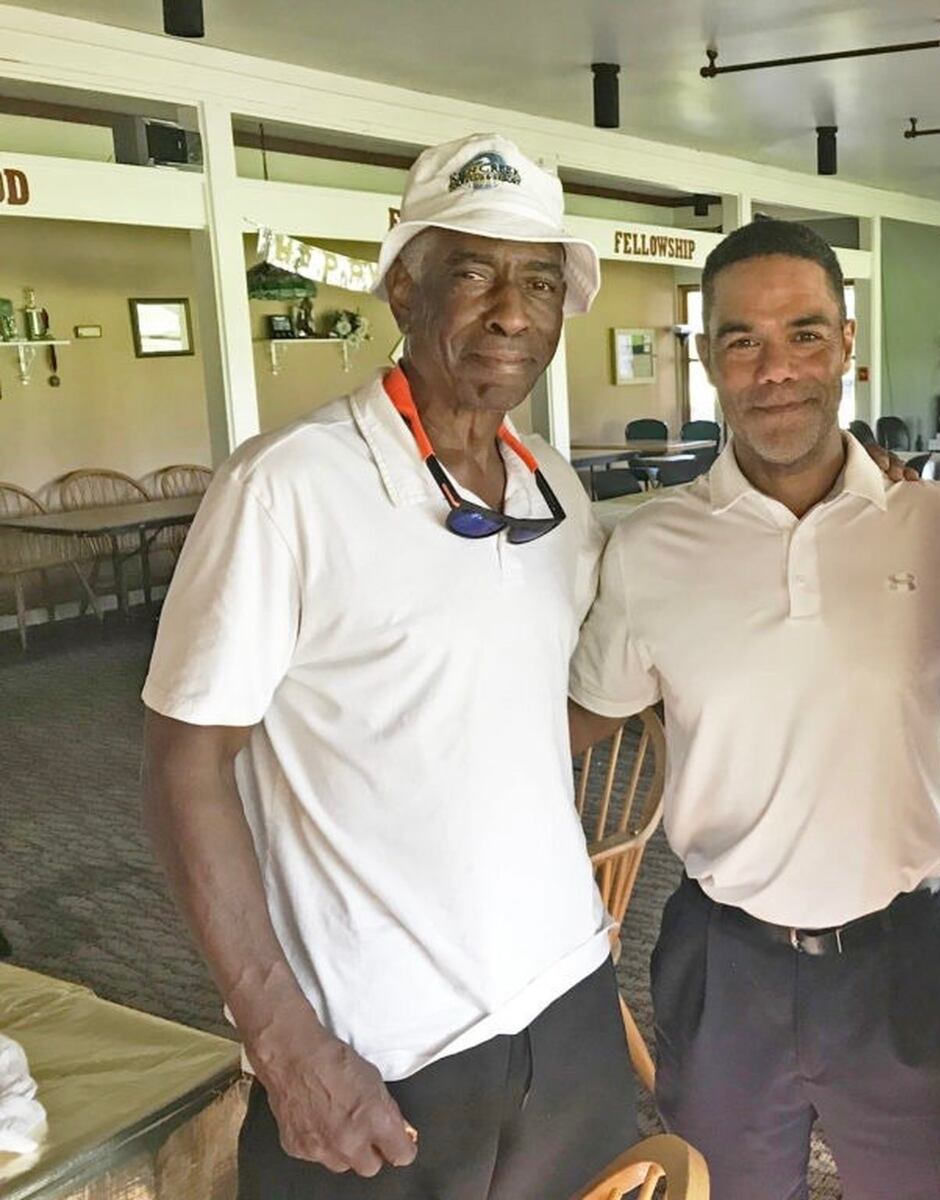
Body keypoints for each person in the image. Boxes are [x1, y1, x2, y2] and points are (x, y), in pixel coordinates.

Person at [141, 133, 637, 1200]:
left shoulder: (553, 485)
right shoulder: (287, 490)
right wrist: (281, 1043)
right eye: (472, 272)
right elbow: (185, 769)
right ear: (402, 284)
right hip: (379, 1054)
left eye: (541, 282)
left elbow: (526, 713)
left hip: (569, 1006)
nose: (511, 311)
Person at [568, 218, 940, 1200]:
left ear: (847, 342)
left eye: (804, 334)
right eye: (741, 342)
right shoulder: (650, 550)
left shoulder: (938, 527)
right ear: (709, 357)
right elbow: (574, 725)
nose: (775, 370)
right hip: (728, 965)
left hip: (908, 956)